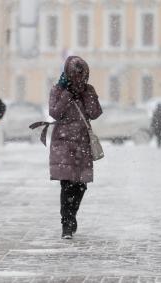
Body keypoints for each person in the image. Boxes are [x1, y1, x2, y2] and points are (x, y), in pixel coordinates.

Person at [49, 56, 102, 239]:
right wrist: (67, 94)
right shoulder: (58, 89)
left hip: (82, 143)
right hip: (63, 143)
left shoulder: (88, 90)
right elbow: (54, 112)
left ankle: (72, 216)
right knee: (67, 184)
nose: (79, 78)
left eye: (82, 74)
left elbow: (95, 113)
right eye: (76, 74)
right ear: (69, 73)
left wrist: (86, 94)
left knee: (81, 185)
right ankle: (67, 224)